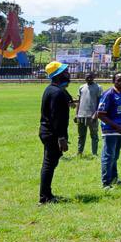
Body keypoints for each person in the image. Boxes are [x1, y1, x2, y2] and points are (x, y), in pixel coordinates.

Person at [39, 61, 73, 204]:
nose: (68, 74)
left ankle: (47, 194)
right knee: (49, 164)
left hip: (47, 132)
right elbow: (57, 118)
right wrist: (61, 138)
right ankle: (44, 197)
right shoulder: (57, 93)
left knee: (50, 163)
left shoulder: (53, 89)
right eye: (65, 72)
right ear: (58, 75)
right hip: (52, 134)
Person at [96, 72, 121, 188]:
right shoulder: (108, 94)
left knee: (115, 156)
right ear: (113, 81)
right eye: (119, 80)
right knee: (108, 157)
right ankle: (106, 183)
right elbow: (100, 114)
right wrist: (117, 127)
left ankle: (114, 179)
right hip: (110, 130)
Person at [75, 73, 102, 157]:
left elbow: (100, 102)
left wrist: (96, 113)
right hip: (81, 115)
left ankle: (94, 153)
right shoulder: (81, 87)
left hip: (92, 116)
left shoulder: (98, 87)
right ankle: (79, 152)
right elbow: (79, 101)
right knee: (81, 135)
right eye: (87, 77)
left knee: (94, 136)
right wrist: (76, 114)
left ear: (94, 77)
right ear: (85, 78)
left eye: (91, 77)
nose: (89, 79)